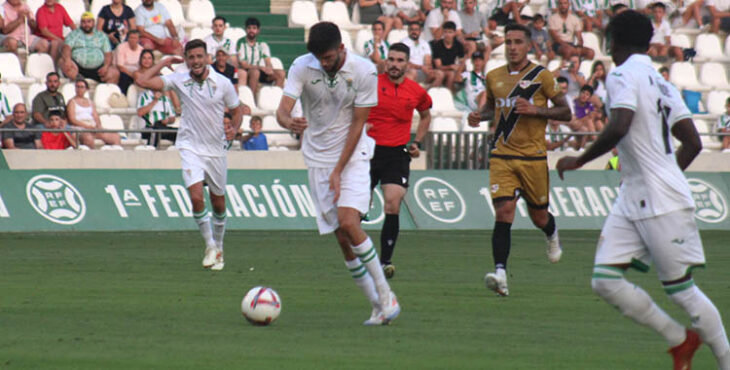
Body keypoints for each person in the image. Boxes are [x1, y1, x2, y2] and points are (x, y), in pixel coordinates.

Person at [556, 11, 730, 370]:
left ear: (613, 40)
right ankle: (680, 340)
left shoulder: (621, 74)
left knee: (681, 290)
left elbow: (620, 124)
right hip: (634, 194)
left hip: (661, 200)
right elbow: (692, 142)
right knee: (604, 281)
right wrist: (663, 172)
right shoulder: (661, 81)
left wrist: (579, 159)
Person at [276, 22, 401, 325]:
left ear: (342, 49)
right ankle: (375, 305)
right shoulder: (301, 67)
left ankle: (387, 295)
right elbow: (283, 109)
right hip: (317, 159)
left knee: (349, 220)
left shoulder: (365, 71)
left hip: (353, 154)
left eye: (329, 57)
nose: (323, 63)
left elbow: (358, 125)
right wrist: (287, 122)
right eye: (319, 58)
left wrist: (339, 170)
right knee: (342, 239)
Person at [467, 23, 572, 296]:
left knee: (539, 217)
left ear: (528, 45)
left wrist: (536, 110)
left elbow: (566, 112)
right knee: (504, 212)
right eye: (508, 41)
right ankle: (500, 273)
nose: (512, 47)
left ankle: (551, 232)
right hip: (501, 155)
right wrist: (480, 115)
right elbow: (493, 109)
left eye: (517, 42)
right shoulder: (494, 76)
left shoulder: (542, 76)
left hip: (533, 158)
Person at [135, 39, 244, 271]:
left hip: (216, 149)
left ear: (207, 58)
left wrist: (233, 129)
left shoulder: (222, 83)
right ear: (186, 59)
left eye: (199, 56)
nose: (195, 61)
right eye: (191, 57)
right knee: (196, 197)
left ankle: (220, 248)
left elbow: (237, 110)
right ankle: (209, 246)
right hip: (189, 146)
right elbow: (142, 80)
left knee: (218, 203)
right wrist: (164, 62)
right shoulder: (179, 79)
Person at [366, 42, 432, 279]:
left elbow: (425, 116)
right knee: (354, 211)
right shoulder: (371, 84)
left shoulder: (416, 91)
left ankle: (385, 262)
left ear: (407, 63)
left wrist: (417, 142)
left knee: (392, 203)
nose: (394, 65)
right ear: (386, 61)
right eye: (391, 60)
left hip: (396, 153)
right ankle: (358, 254)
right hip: (368, 152)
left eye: (399, 60)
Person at [60, 12, 120, 84]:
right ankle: (79, 82)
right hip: (77, 69)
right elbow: (67, 47)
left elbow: (108, 54)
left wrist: (106, 66)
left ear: (93, 22)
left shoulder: (101, 35)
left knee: (115, 73)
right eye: (84, 22)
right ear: (81, 23)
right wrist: (67, 59)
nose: (86, 24)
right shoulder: (74, 34)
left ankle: (103, 92)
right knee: (62, 62)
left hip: (98, 70)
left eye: (89, 22)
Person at [66, 79, 122, 147]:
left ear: (86, 89)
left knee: (115, 137)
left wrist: (98, 126)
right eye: (77, 87)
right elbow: (72, 119)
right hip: (80, 128)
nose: (79, 89)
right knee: (88, 139)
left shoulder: (90, 102)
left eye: (81, 87)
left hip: (92, 127)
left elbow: (96, 116)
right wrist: (87, 126)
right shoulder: (72, 102)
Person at [236, 17, 285, 93]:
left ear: (258, 30)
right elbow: (243, 65)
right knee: (255, 72)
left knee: (281, 73)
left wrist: (269, 68)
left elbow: (267, 60)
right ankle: (252, 100)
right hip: (247, 71)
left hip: (261, 70)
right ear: (246, 29)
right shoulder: (241, 42)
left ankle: (275, 98)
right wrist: (260, 67)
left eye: (254, 28)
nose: (251, 30)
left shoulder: (262, 43)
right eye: (249, 28)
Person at [401, 21, 443, 86]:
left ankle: (426, 92)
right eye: (412, 29)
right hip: (409, 70)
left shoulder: (425, 43)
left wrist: (428, 69)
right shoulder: (403, 43)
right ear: (408, 31)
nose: (414, 32)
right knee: (412, 72)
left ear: (420, 31)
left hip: (423, 71)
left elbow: (428, 61)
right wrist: (421, 67)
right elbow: (404, 63)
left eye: (416, 30)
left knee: (439, 74)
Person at [430, 21, 465, 92]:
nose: (447, 35)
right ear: (443, 33)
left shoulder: (458, 45)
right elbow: (438, 66)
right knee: (451, 74)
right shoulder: (437, 45)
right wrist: (451, 67)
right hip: (438, 71)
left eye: (450, 32)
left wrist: (458, 71)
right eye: (445, 32)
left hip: (452, 70)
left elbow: (462, 62)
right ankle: (449, 94)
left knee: (460, 74)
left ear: (454, 33)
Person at [115, 29, 143, 94]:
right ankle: (122, 96)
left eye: (135, 38)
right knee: (124, 77)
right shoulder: (121, 47)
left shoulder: (141, 49)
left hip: (136, 71)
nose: (132, 40)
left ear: (138, 40)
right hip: (123, 70)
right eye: (131, 38)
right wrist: (132, 75)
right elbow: (120, 66)